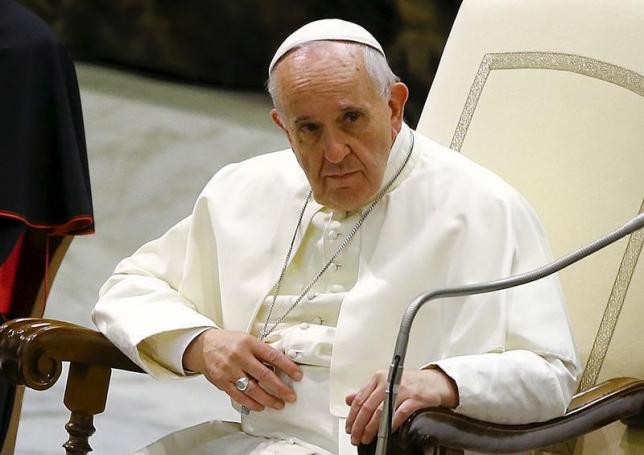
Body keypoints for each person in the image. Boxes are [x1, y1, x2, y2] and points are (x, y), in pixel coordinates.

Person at [93, 19, 579, 455]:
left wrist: (443, 383)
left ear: (393, 107)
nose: (335, 152)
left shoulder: (483, 207)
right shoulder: (244, 188)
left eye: (351, 119)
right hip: (257, 443)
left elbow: (551, 376)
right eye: (309, 129)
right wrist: (202, 342)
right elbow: (129, 287)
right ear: (284, 128)